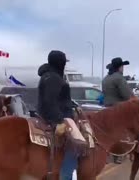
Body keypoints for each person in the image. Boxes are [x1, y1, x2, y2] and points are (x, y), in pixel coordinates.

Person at [37, 50, 87, 180]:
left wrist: (74, 106)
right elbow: (50, 102)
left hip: (54, 114)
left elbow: (61, 99)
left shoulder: (49, 75)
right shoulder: (53, 78)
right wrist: (60, 120)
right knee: (76, 143)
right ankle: (66, 174)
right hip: (57, 117)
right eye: (64, 62)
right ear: (60, 63)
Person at [102, 57, 133, 164]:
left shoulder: (106, 78)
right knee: (123, 132)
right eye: (122, 66)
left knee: (109, 133)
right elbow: (127, 95)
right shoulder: (119, 78)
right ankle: (120, 155)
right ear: (119, 67)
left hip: (107, 109)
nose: (123, 68)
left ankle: (108, 154)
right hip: (118, 109)